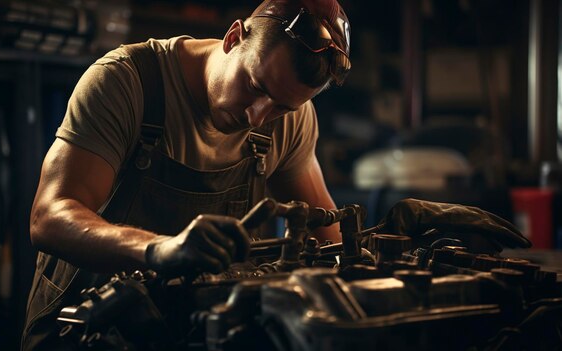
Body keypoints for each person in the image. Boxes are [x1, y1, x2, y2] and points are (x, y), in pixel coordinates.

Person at [21, 0, 351, 349]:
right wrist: (158, 249)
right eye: (255, 86)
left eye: (282, 108)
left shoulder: (292, 119)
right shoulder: (126, 82)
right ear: (233, 38)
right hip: (84, 329)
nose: (258, 116)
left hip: (190, 334)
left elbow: (328, 235)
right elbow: (48, 218)